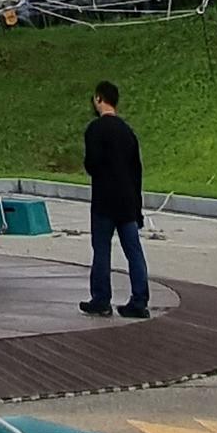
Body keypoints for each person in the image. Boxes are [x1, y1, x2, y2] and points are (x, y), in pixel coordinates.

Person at [81, 81, 150, 317]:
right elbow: (136, 171)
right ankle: (139, 301)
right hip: (128, 201)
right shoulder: (128, 132)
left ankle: (101, 299)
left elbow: (92, 165)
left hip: (104, 200)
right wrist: (137, 208)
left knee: (102, 250)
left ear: (99, 99)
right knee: (134, 251)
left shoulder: (95, 129)